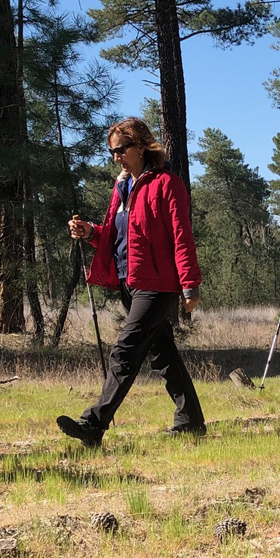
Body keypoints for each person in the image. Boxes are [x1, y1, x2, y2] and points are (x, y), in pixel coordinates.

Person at [57, 117, 205, 447]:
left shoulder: (167, 184)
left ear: (140, 146)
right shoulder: (122, 188)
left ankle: (94, 424)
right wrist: (91, 232)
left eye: (120, 149)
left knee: (124, 351)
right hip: (130, 282)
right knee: (163, 355)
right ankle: (191, 420)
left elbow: (182, 236)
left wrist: (189, 284)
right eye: (112, 151)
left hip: (158, 284)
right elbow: (118, 235)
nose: (115, 157)